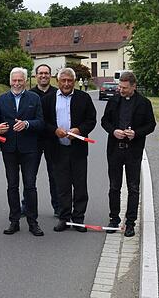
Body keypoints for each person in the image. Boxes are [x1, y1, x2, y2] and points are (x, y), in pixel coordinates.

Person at [100, 71, 156, 237]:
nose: (121, 90)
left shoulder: (144, 103)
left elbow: (151, 125)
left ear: (133, 86)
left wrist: (136, 133)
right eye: (120, 86)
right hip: (115, 149)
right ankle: (114, 218)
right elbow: (104, 121)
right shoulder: (113, 100)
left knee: (133, 187)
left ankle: (130, 223)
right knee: (114, 186)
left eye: (124, 87)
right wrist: (113, 131)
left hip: (133, 151)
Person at [0, 67, 45, 237]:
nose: (17, 83)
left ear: (25, 81)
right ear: (10, 81)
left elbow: (41, 122)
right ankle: (14, 220)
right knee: (12, 185)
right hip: (9, 149)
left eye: (20, 80)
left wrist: (27, 124)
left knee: (30, 186)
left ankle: (32, 221)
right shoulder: (2, 99)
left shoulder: (34, 98)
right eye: (14, 80)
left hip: (29, 149)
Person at [42, 67, 97, 233]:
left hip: (78, 149)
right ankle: (64, 218)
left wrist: (79, 130)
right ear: (57, 82)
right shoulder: (48, 99)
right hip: (57, 149)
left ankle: (78, 218)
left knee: (80, 185)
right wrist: (54, 130)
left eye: (69, 81)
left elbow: (91, 120)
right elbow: (43, 121)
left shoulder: (84, 98)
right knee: (62, 186)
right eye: (63, 80)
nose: (66, 84)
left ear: (74, 82)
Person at [28, 63, 59, 217]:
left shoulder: (57, 93)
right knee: (30, 175)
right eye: (40, 73)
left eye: (46, 73)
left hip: (53, 140)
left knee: (54, 175)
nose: (43, 76)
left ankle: (58, 206)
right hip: (33, 140)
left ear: (51, 75)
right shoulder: (29, 95)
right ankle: (27, 205)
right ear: (35, 76)